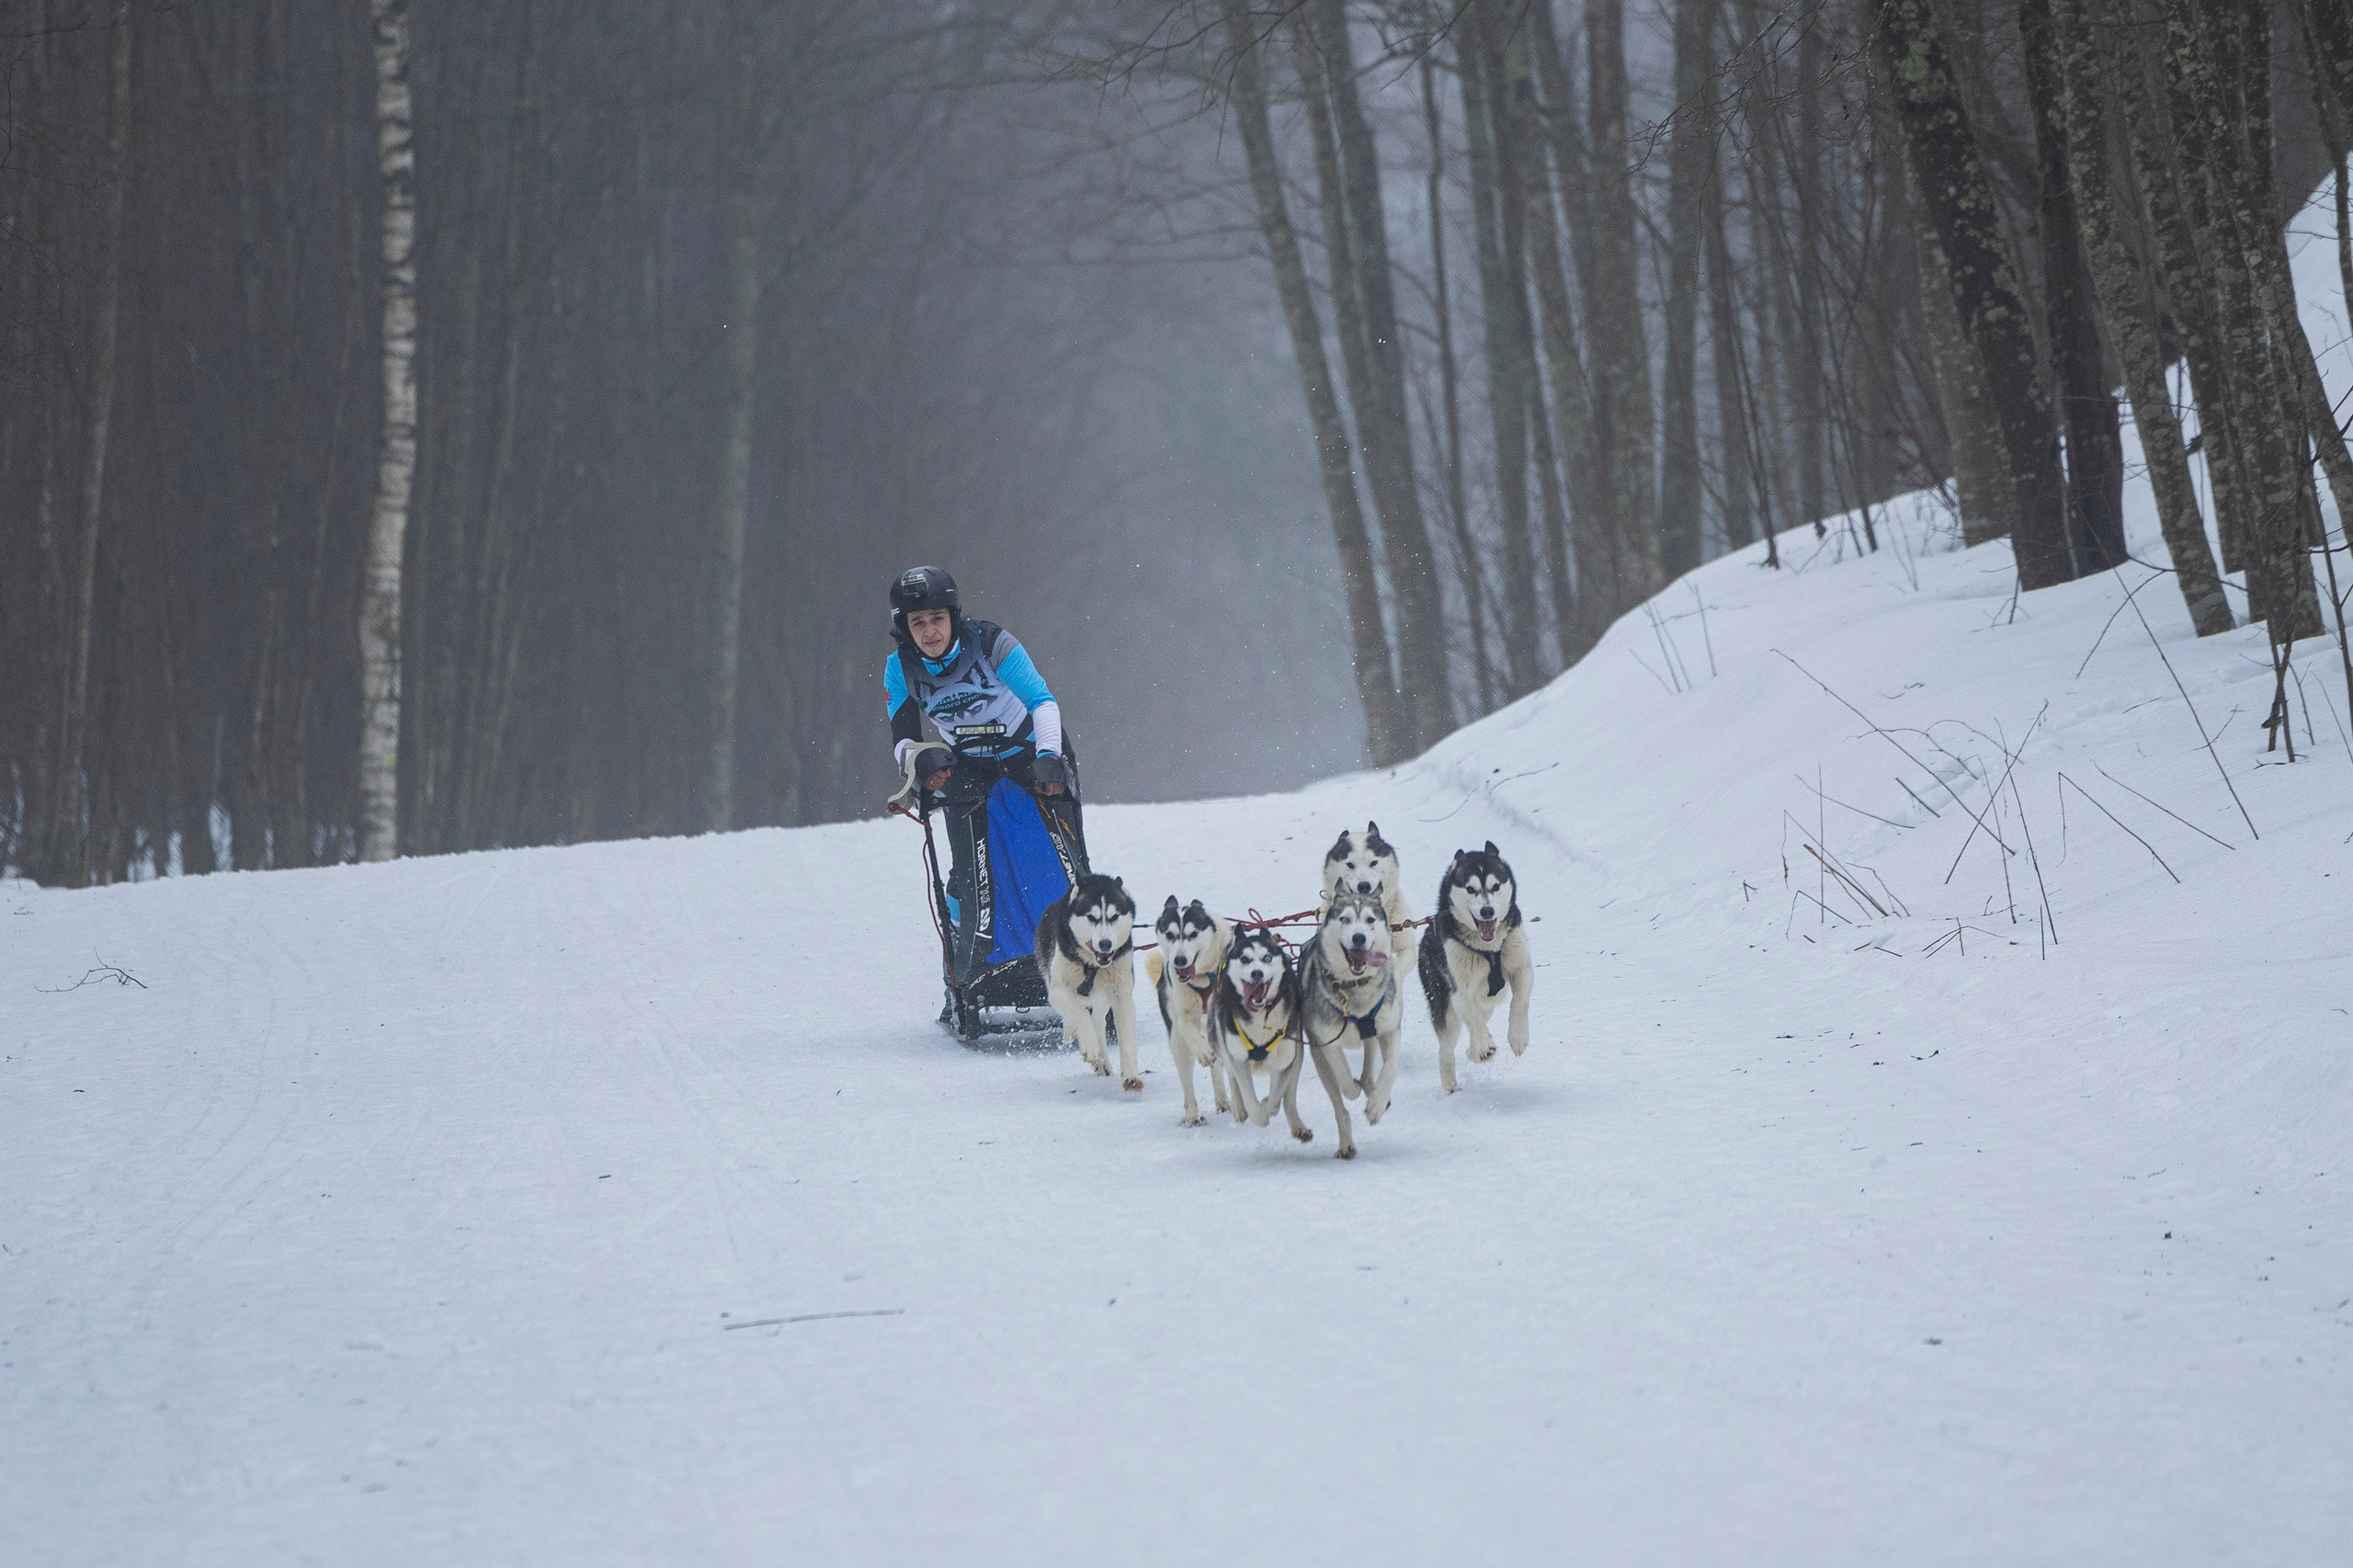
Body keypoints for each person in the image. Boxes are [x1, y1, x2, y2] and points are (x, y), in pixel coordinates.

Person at [884, 565, 1086, 984]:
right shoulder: (898, 669)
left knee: (1055, 856)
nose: (930, 631)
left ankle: (1080, 951)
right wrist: (918, 761)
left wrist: (1049, 757)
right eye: (917, 622)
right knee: (967, 871)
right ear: (904, 627)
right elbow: (902, 740)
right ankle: (974, 962)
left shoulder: (991, 643)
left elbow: (1042, 701)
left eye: (937, 619)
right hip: (969, 763)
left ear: (953, 617)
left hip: (1030, 750)